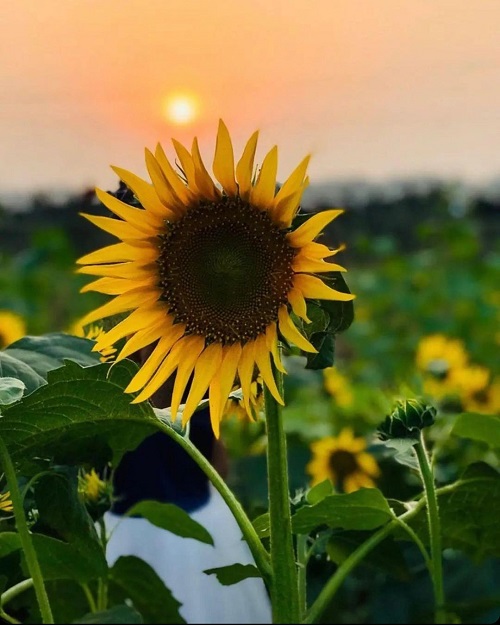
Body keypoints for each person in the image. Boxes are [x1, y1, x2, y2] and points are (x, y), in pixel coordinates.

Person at [103, 347, 272, 624]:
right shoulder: (203, 370)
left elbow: (93, 466)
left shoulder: (107, 377)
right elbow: (220, 467)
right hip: (200, 527)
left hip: (126, 531)